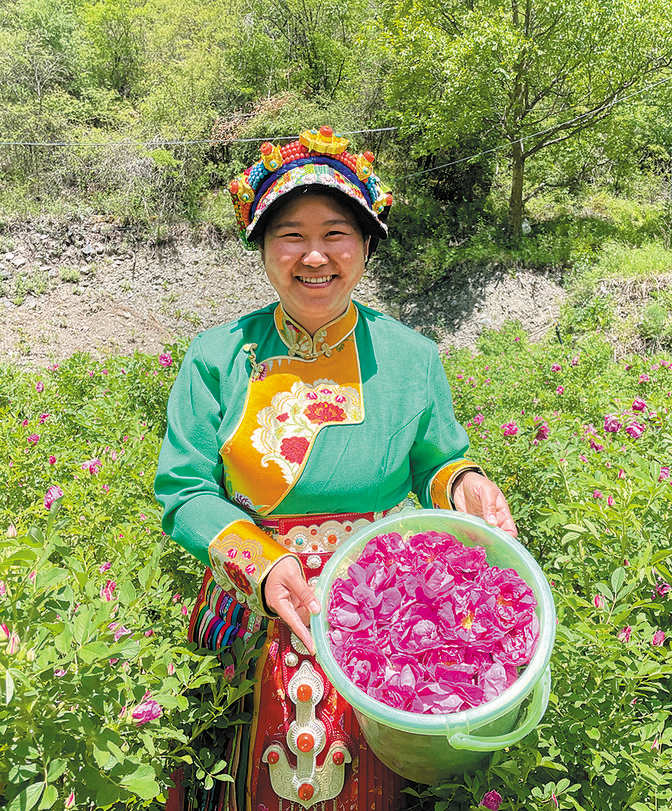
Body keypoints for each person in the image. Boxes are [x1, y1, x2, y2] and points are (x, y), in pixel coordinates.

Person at [154, 125, 518, 811]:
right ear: (262, 247)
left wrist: (468, 485)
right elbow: (185, 489)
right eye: (290, 234)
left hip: (376, 605)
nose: (314, 255)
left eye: (337, 234)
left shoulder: (411, 356)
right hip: (251, 602)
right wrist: (261, 565)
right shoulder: (216, 358)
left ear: (367, 246)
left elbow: (439, 461)